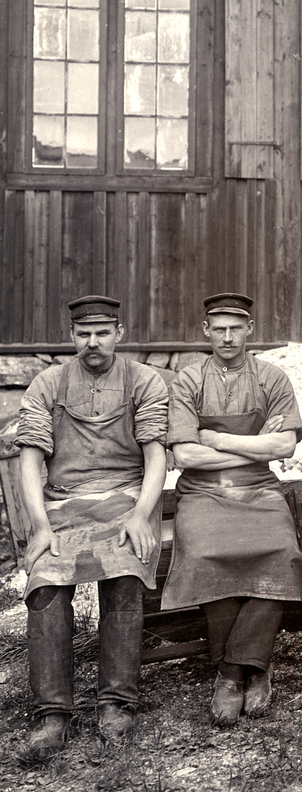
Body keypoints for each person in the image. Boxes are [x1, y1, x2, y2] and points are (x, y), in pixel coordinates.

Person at [15, 296, 168, 759]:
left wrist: (141, 514)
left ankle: (116, 703)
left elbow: (156, 456)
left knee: (124, 573)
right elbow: (29, 461)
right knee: (45, 584)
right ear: (72, 336)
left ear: (119, 333)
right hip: (63, 504)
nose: (93, 342)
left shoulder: (144, 379)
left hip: (126, 499)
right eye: (83, 334)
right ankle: (52, 714)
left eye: (102, 333)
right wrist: (40, 526)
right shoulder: (48, 383)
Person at [163, 293, 302, 726]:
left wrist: (216, 439)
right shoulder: (188, 381)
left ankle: (233, 671)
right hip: (201, 493)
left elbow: (285, 446)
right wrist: (255, 445)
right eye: (219, 329)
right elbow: (185, 456)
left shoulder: (272, 378)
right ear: (205, 331)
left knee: (283, 555)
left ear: (250, 329)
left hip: (259, 489)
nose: (227, 337)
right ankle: (252, 667)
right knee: (206, 553)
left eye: (235, 328)